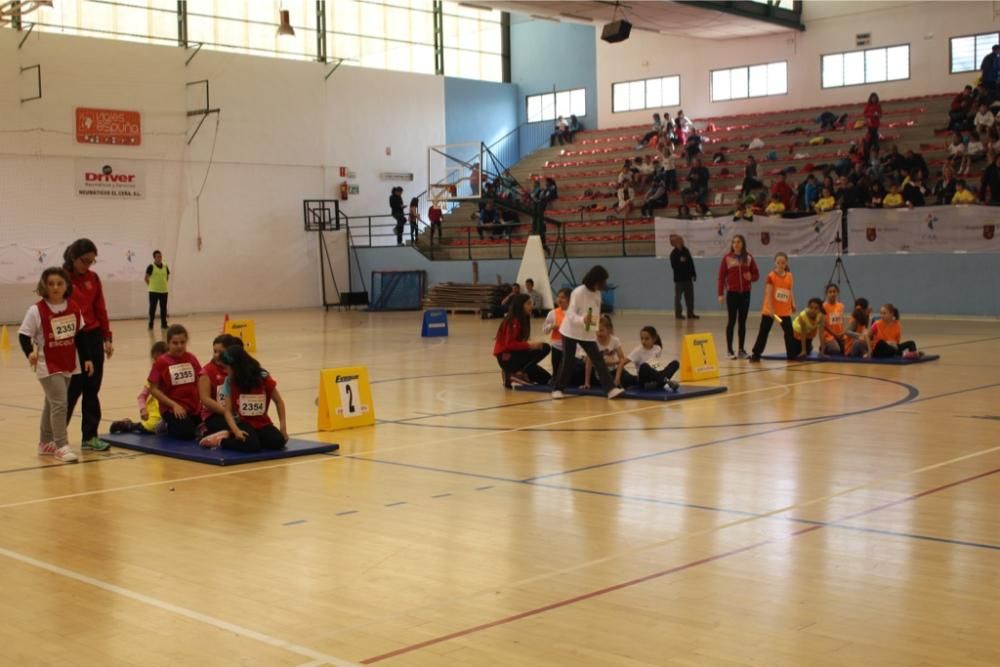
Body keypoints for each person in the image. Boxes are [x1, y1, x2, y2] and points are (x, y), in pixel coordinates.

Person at [18, 267, 93, 463]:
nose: (55, 287)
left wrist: (87, 359)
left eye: (59, 283)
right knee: (60, 403)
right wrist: (29, 354)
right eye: (51, 284)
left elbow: (81, 335)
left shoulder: (74, 308)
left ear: (66, 285)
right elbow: (23, 335)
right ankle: (61, 445)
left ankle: (45, 442)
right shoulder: (36, 310)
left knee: (51, 403)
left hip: (68, 362)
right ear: (44, 286)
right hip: (47, 364)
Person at [63, 238, 112, 453]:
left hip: (92, 337)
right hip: (72, 339)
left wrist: (107, 337)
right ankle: (56, 436)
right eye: (85, 261)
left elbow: (100, 307)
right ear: (73, 257)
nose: (88, 266)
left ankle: (90, 436)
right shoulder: (61, 278)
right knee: (73, 389)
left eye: (92, 262)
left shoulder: (93, 278)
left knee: (92, 389)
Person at [552, 265, 626, 400]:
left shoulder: (597, 294)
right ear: (596, 280)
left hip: (587, 333)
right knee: (568, 360)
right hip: (570, 332)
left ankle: (610, 389)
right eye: (602, 281)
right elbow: (570, 313)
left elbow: (595, 314)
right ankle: (558, 388)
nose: (604, 284)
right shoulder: (578, 292)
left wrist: (594, 328)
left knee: (598, 359)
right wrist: (582, 320)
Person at [205, 346, 289, 452]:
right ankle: (221, 441)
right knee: (252, 446)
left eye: (226, 367)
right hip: (243, 422)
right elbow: (228, 411)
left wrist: (283, 427)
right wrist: (236, 431)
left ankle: (254, 438)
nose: (225, 371)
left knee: (278, 442)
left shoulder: (263, 377)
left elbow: (278, 401)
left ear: (236, 366)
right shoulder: (229, 382)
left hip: (262, 422)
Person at [147, 324, 203, 440]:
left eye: (182, 342)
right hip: (172, 409)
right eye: (175, 343)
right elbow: (153, 389)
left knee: (207, 427)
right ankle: (166, 425)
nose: (179, 346)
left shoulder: (191, 358)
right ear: (168, 343)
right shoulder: (161, 362)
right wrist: (174, 405)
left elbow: (201, 380)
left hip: (193, 407)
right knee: (187, 434)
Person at [110, 341, 169, 435]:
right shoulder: (153, 380)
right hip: (155, 417)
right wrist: (143, 409)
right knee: (150, 427)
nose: (157, 364)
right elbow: (141, 396)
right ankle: (128, 425)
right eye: (155, 361)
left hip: (169, 414)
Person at [493, 293, 551, 388]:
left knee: (547, 379)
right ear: (520, 305)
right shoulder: (513, 321)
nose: (531, 306)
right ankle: (516, 373)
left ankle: (515, 373)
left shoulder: (522, 319)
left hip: (514, 356)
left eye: (531, 303)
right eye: (528, 304)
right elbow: (509, 344)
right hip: (506, 358)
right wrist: (530, 346)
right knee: (545, 348)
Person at [717, 235, 759, 360]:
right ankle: (730, 350)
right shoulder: (727, 258)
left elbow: (756, 274)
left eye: (738, 242)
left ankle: (741, 349)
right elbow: (721, 277)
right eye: (734, 242)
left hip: (745, 294)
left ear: (743, 244)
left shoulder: (749, 258)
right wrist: (720, 294)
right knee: (731, 321)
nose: (736, 244)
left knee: (742, 322)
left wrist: (751, 277)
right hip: (732, 294)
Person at [748, 251, 796, 362]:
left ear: (786, 263)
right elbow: (768, 294)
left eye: (783, 262)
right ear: (775, 263)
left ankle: (791, 355)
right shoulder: (771, 276)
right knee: (764, 332)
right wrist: (770, 308)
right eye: (778, 262)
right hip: (770, 311)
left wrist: (793, 303)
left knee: (789, 332)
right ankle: (756, 354)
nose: (780, 264)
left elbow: (790, 291)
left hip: (784, 311)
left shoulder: (789, 276)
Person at [197, 334, 245, 438]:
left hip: (235, 413)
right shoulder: (206, 372)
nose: (216, 355)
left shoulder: (236, 369)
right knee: (236, 429)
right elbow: (205, 399)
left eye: (221, 352)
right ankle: (205, 429)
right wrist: (227, 412)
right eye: (215, 351)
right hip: (214, 414)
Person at [626, 325, 680, 391]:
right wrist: (617, 379)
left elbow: (656, 365)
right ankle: (665, 381)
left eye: (647, 339)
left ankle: (658, 382)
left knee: (675, 363)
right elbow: (622, 363)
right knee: (644, 366)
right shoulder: (637, 351)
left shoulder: (658, 349)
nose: (643, 341)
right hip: (645, 380)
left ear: (654, 339)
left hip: (656, 375)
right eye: (642, 338)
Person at [585, 315, 628, 389]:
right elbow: (589, 362)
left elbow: (622, 360)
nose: (599, 333)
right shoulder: (593, 341)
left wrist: (617, 377)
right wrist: (586, 383)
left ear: (608, 330)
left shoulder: (615, 340)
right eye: (597, 330)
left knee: (627, 377)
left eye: (601, 330)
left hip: (613, 371)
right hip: (599, 373)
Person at [542, 288, 571, 379]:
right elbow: (544, 330)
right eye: (559, 297)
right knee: (556, 374)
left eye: (563, 297)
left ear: (570, 299)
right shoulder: (552, 313)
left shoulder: (575, 313)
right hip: (557, 347)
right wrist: (551, 326)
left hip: (571, 347)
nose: (559, 299)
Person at [669, 234, 697, 320]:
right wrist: (680, 261)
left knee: (690, 297)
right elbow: (674, 266)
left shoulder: (686, 251)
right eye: (681, 240)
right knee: (678, 298)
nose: (683, 242)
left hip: (688, 278)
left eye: (682, 240)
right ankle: (678, 314)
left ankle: (690, 314)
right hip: (679, 280)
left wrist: (694, 274)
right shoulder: (673, 254)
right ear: (677, 243)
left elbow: (691, 263)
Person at [145, 250, 169, 331]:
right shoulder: (151, 266)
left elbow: (167, 277)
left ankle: (164, 324)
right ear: (154, 257)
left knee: (163, 308)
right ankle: (151, 324)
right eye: (158, 256)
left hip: (164, 291)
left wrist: (162, 284)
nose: (159, 258)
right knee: (152, 308)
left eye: (160, 256)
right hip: (153, 291)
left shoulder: (165, 266)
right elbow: (146, 278)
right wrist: (151, 286)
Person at [820, 283, 846, 356]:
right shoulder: (823, 307)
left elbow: (841, 322)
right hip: (829, 336)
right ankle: (824, 346)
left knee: (848, 349)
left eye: (834, 291)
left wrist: (842, 333)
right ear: (827, 293)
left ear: (837, 293)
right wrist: (835, 334)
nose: (832, 294)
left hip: (839, 335)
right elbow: (824, 326)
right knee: (836, 350)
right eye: (830, 292)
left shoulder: (841, 306)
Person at [863, 92, 882, 160]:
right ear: (870, 98)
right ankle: (873, 149)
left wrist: (877, 115)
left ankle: (873, 152)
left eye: (875, 98)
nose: (874, 99)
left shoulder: (878, 105)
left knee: (871, 141)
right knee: (872, 140)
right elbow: (865, 114)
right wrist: (872, 115)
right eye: (872, 98)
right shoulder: (868, 105)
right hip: (870, 125)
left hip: (875, 125)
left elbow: (880, 114)